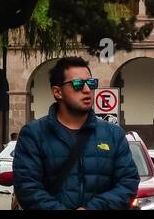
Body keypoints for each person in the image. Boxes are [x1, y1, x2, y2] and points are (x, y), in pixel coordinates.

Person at [12, 57, 138, 210]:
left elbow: (128, 182)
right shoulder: (34, 134)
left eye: (91, 83)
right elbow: (27, 188)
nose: (86, 90)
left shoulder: (113, 134)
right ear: (58, 92)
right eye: (78, 84)